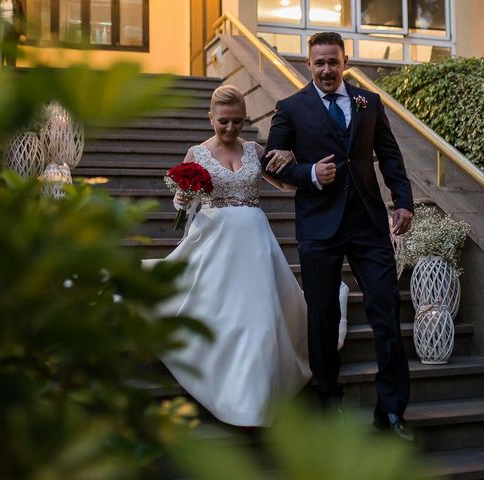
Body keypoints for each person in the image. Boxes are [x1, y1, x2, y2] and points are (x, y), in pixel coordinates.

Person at [142, 85, 348, 427]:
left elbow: (285, 184)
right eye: (223, 121)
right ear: (211, 118)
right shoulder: (196, 153)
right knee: (224, 316)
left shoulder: (254, 149)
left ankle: (259, 397)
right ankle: (231, 392)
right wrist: (182, 196)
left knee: (262, 318)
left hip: (256, 243)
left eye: (238, 121)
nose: (230, 128)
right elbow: (182, 201)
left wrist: (305, 167)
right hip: (215, 241)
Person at [262, 32, 415, 441]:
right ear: (308, 65)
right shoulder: (290, 108)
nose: (326, 70)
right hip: (319, 227)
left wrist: (403, 201)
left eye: (333, 61)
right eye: (318, 63)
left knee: (386, 310)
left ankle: (392, 412)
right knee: (323, 318)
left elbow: (390, 155)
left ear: (344, 60)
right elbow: (270, 164)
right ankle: (329, 401)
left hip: (368, 223)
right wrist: (310, 173)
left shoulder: (370, 102)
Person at [0, 0, 25, 67]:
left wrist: (22, 33)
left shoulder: (16, 2)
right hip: (0, 30)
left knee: (11, 52)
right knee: (0, 52)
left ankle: (11, 70)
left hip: (13, 30)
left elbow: (22, 17)